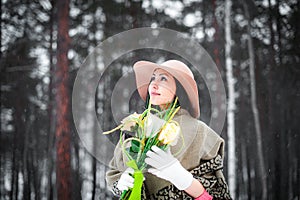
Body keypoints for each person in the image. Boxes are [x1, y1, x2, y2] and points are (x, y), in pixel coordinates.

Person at [106, 60, 232, 199]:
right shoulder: (136, 126)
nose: (154, 83)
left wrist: (182, 178)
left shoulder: (199, 131)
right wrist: (121, 184)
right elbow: (115, 171)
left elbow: (215, 195)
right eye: (153, 78)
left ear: (179, 88)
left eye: (163, 79)